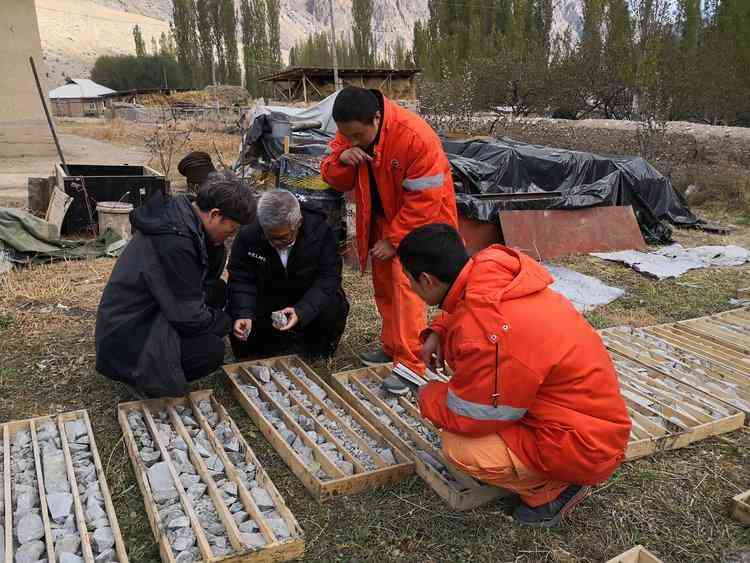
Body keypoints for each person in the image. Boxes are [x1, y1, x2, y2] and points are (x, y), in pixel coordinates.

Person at [396, 223, 631, 527]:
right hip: (586, 417)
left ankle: (555, 489)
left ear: (427, 280)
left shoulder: (486, 333)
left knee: (461, 449)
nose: (409, 286)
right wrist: (439, 330)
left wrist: (428, 396)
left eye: (409, 279)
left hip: (583, 444)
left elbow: (472, 418)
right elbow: (468, 305)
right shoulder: (490, 273)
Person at [321, 86, 458, 389]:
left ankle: (411, 364)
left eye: (357, 136)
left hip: (420, 225)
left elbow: (425, 201)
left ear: (376, 118)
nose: (352, 141)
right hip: (381, 219)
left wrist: (394, 240)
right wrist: (342, 159)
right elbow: (333, 176)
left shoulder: (415, 137)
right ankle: (392, 345)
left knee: (406, 290)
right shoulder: (351, 128)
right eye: (346, 136)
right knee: (384, 286)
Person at [95, 171, 256, 398]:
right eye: (231, 230)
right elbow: (189, 317)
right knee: (210, 351)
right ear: (215, 214)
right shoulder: (174, 242)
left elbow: (201, 286)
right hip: (129, 338)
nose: (231, 237)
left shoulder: (182, 218)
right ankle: (141, 378)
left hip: (143, 316)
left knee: (218, 291)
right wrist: (226, 323)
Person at [228, 190, 349, 360]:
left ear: (298, 223)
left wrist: (302, 310)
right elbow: (241, 278)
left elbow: (329, 276)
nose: (275, 243)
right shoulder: (249, 232)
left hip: (305, 295)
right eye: (269, 237)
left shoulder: (319, 229)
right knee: (236, 313)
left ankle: (316, 349)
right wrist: (244, 313)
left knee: (333, 304)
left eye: (282, 238)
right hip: (268, 295)